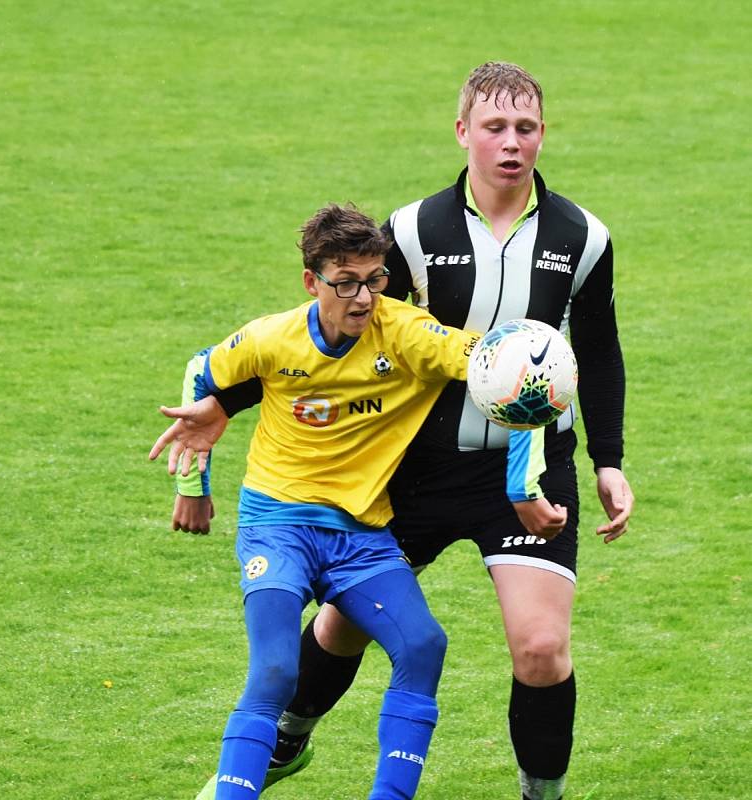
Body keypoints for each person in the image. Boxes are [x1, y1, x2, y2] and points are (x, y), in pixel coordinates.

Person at [180, 62, 634, 800]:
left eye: (524, 128)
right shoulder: (412, 231)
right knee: (340, 626)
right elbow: (338, 327)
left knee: (542, 648)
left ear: (542, 134)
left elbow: (601, 349)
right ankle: (287, 739)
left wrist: (608, 459)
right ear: (463, 133)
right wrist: (222, 405)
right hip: (412, 468)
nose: (510, 143)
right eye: (493, 128)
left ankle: (539, 794)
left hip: (529, 471)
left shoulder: (582, 236)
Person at [150, 203, 483, 800]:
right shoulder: (272, 337)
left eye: (375, 279)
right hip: (277, 524)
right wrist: (192, 487)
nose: (363, 298)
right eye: (347, 282)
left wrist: (538, 363)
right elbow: (202, 370)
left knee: (425, 644)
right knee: (277, 670)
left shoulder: (405, 332)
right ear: (313, 281)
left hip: (361, 535)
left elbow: (485, 365)